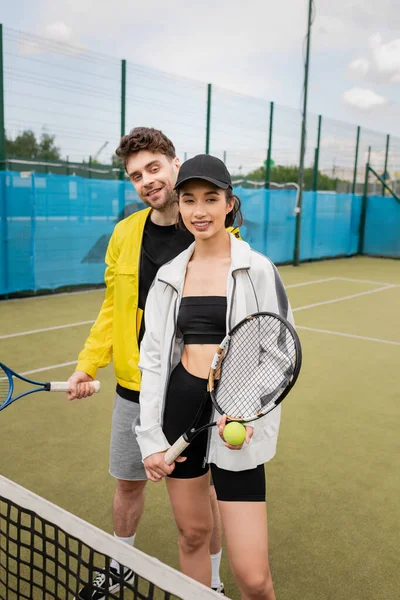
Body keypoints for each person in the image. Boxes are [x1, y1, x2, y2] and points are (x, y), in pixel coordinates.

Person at [66, 130, 238, 599]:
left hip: (195, 389)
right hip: (133, 386)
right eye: (136, 175)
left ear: (174, 163)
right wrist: (88, 363)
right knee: (128, 483)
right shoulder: (124, 233)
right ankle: (121, 567)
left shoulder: (212, 229)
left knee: (202, 493)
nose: (147, 181)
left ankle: (214, 579)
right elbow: (112, 307)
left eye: (154, 168)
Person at [135, 154, 295, 600]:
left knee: (254, 578)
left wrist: (243, 409)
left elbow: (280, 353)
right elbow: (152, 361)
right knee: (192, 536)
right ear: (179, 206)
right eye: (189, 200)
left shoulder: (257, 269)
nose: (199, 210)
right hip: (181, 406)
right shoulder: (168, 275)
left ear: (229, 204)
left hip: (237, 419)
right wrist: (151, 440)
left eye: (210, 199)